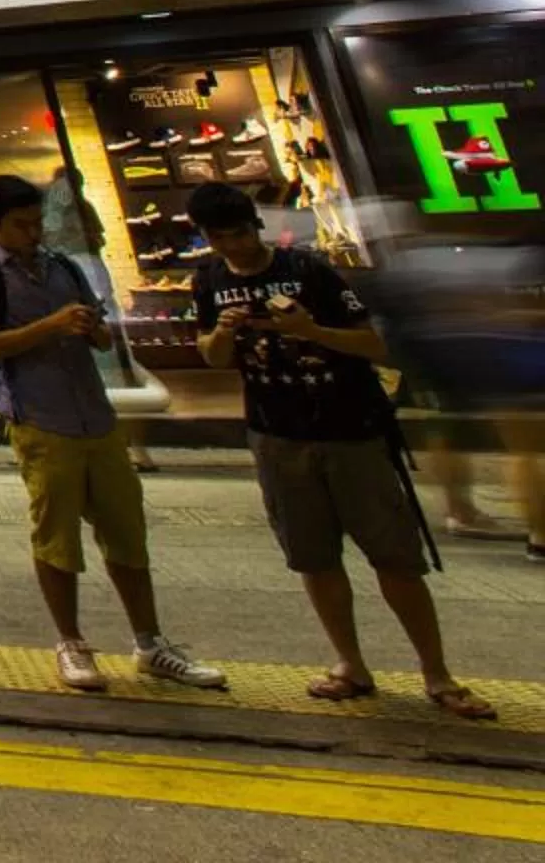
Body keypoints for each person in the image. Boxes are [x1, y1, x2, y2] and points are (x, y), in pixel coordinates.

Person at [190, 183, 496, 719]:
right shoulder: (210, 281)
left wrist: (310, 329)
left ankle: (437, 673)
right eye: (220, 238)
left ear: (254, 227)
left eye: (239, 233)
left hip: (349, 428)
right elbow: (212, 357)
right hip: (277, 434)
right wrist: (223, 331)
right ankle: (350, 664)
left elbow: (374, 344)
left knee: (395, 557)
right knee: (314, 558)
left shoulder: (308, 271)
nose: (233, 247)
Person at [0, 173, 226, 694]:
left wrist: (91, 329)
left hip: (97, 418)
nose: (33, 233)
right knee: (56, 537)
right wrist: (52, 326)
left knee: (127, 532)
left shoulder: (64, 268)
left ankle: (150, 642)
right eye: (20, 225)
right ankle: (72, 643)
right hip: (39, 419)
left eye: (37, 223)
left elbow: (102, 337)